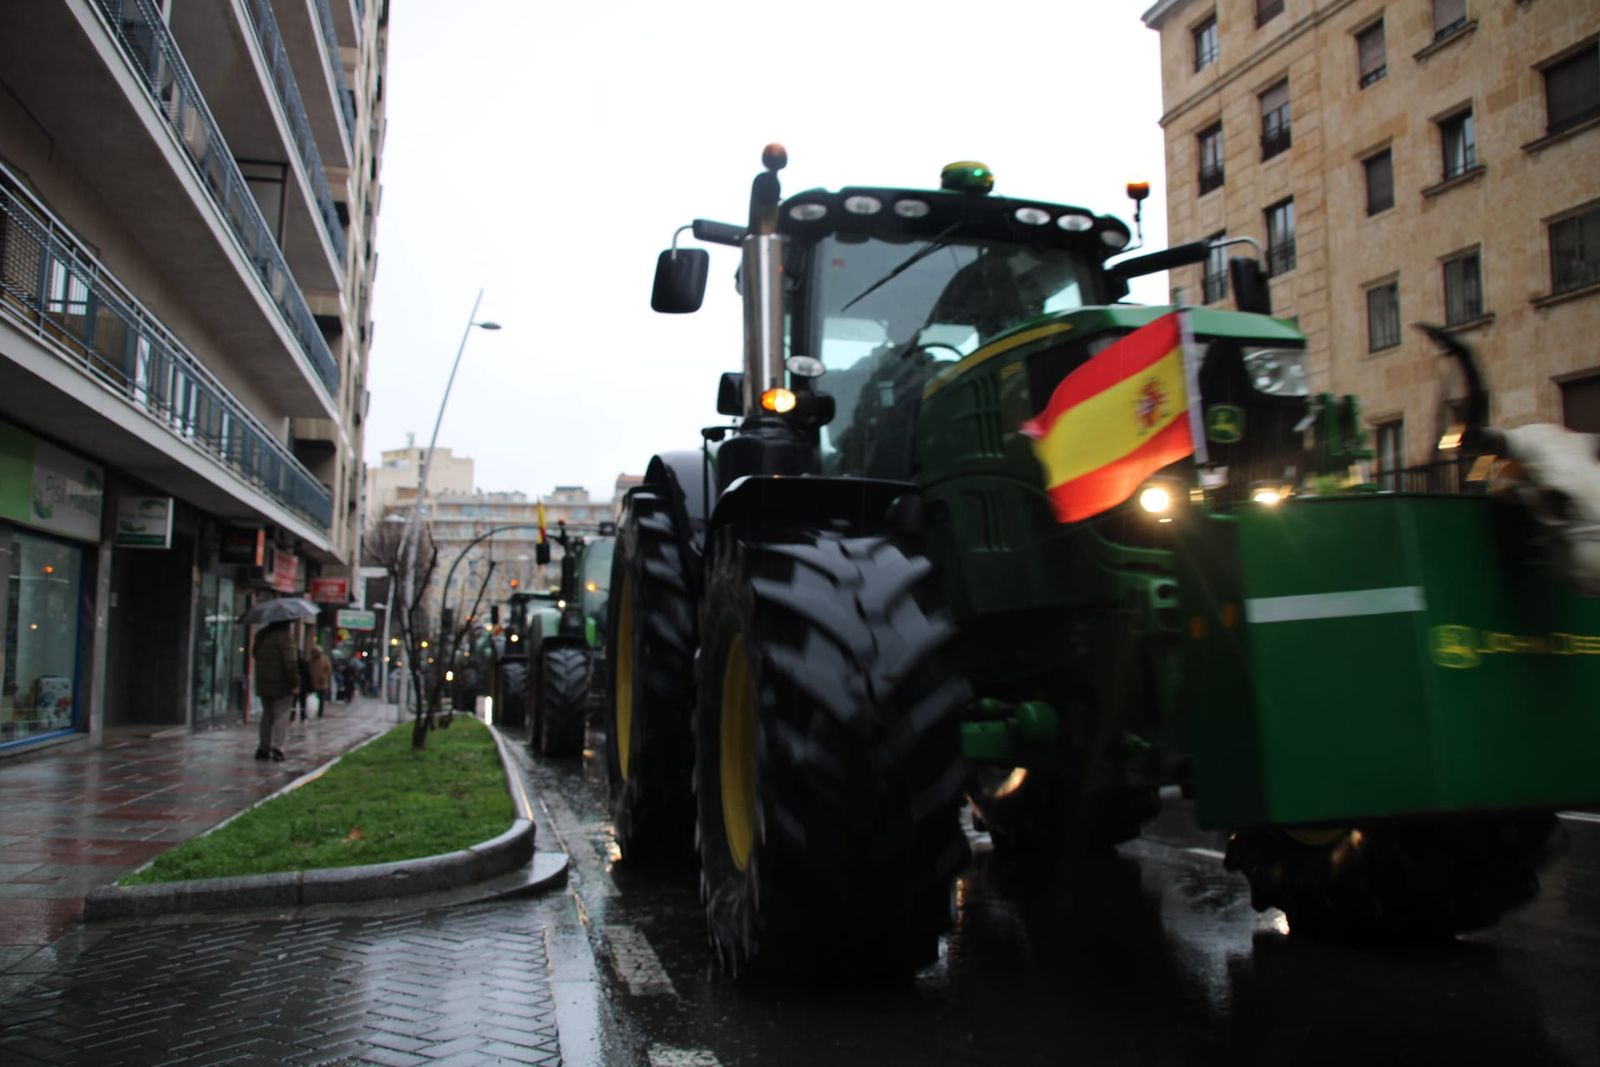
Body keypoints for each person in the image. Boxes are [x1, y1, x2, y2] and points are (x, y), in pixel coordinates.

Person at [252, 620, 299, 762]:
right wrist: (295, 682)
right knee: (281, 715)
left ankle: (263, 747)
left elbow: (255, 654)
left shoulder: (261, 635)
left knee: (267, 714)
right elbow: (290, 663)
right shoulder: (285, 638)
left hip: (263, 681)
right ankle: (277, 747)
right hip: (282, 683)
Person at [307, 643, 333, 718]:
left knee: (321, 699)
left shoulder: (324, 659)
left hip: (321, 682)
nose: (315, 654)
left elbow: (328, 669)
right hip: (312, 682)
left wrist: (324, 676)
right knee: (310, 698)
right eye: (314, 652)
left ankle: (320, 713)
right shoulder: (311, 660)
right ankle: (309, 711)